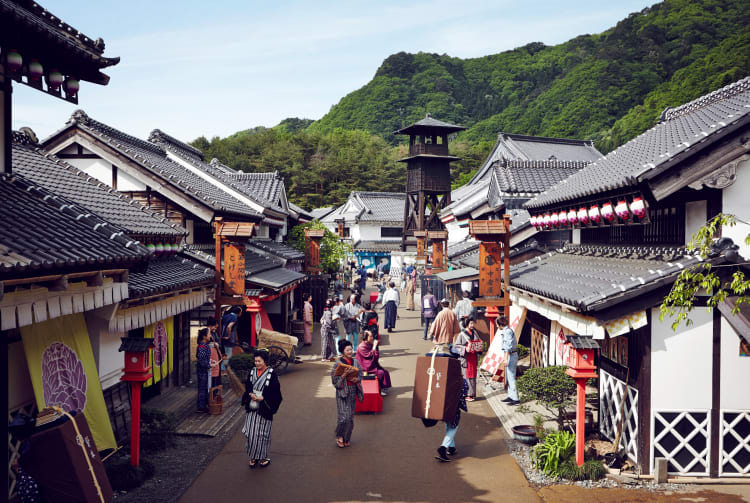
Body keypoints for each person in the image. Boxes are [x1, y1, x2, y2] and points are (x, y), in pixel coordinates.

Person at [241, 350, 283, 468]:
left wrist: (263, 397)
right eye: (255, 361)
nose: (257, 363)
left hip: (264, 407)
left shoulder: (271, 373)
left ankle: (263, 457)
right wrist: (250, 394)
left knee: (262, 434)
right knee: (250, 432)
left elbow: (276, 391)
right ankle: (253, 457)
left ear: (265, 361)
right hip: (252, 407)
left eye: (259, 361)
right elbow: (248, 386)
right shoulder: (252, 371)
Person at [331, 340, 363, 448]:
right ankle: (339, 435)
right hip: (341, 392)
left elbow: (360, 374)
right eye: (347, 350)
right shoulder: (337, 364)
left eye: (351, 349)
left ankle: (346, 437)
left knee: (349, 417)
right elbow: (335, 382)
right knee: (343, 417)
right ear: (342, 351)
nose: (350, 351)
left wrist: (356, 379)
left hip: (352, 390)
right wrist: (343, 375)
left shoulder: (355, 362)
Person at [436, 378, 468, 462]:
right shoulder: (461, 381)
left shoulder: (443, 378)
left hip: (444, 406)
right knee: (453, 427)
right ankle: (443, 448)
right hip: (454, 407)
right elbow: (463, 394)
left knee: (448, 425)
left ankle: (452, 447)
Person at [453, 319, 483, 401]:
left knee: (473, 376)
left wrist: (479, 346)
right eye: (471, 323)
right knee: (466, 376)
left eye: (473, 323)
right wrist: (465, 348)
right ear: (466, 324)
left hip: (473, 357)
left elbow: (478, 342)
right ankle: (467, 394)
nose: (472, 325)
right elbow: (457, 346)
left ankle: (472, 394)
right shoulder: (462, 335)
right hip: (466, 358)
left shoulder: (475, 333)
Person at [356, 330, 391, 396]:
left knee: (385, 371)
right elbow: (369, 356)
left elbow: (375, 355)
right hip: (364, 367)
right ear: (366, 337)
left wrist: (374, 348)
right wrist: (374, 347)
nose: (372, 338)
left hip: (370, 365)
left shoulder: (369, 344)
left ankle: (383, 387)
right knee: (382, 373)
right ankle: (383, 389)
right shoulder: (361, 347)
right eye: (370, 336)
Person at [498, 316, 520, 406]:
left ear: (500, 324)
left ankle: (516, 399)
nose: (497, 326)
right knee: (509, 376)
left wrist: (506, 358)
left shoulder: (507, 332)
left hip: (511, 355)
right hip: (510, 355)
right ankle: (511, 396)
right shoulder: (506, 331)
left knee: (511, 377)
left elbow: (508, 346)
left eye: (497, 324)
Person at [196, 329, 210, 413]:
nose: (210, 336)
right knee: (202, 388)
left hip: (204, 370)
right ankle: (201, 407)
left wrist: (210, 362)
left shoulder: (204, 345)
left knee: (204, 388)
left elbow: (205, 359)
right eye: (209, 334)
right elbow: (201, 361)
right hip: (202, 371)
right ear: (204, 336)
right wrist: (209, 365)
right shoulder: (201, 347)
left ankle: (204, 405)